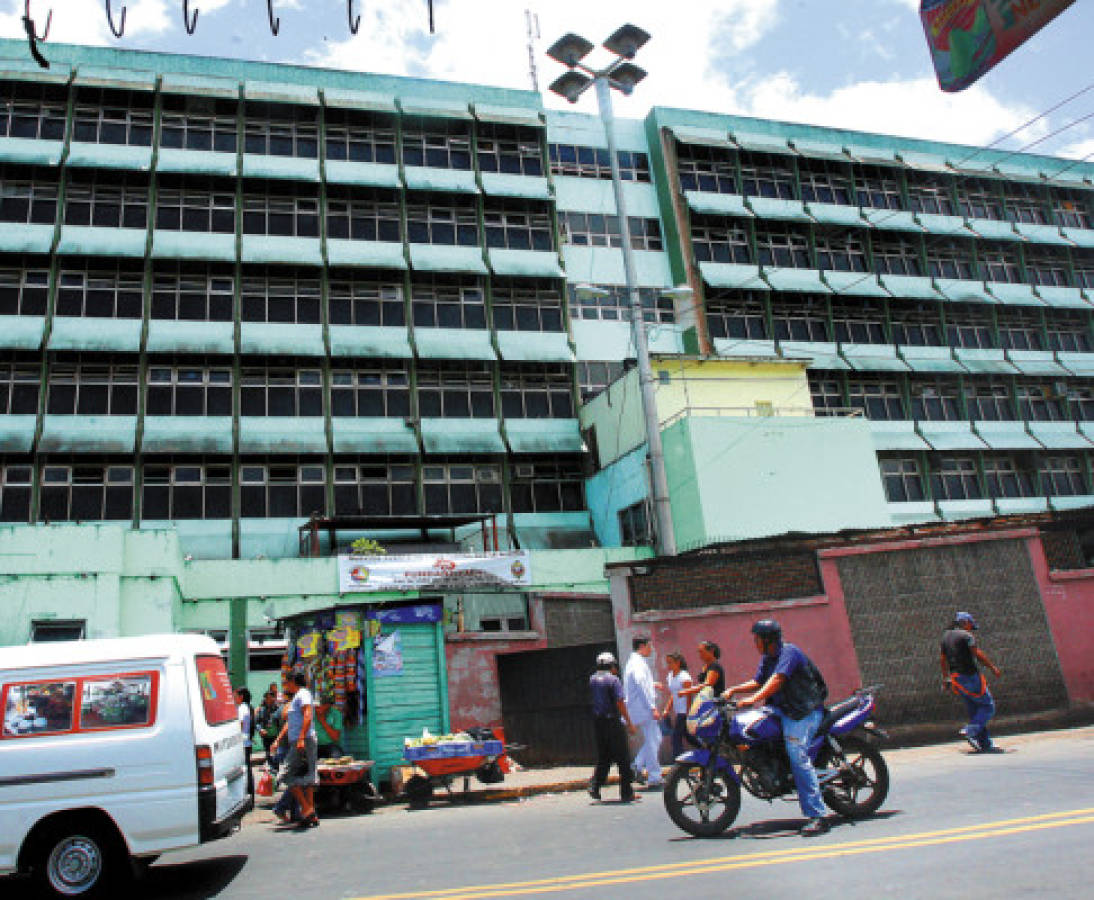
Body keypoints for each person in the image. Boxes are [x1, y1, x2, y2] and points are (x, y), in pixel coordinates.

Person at [723, 619, 830, 837]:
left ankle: (818, 815)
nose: (755, 643)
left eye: (757, 639)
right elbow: (759, 681)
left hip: (802, 711)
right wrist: (733, 690)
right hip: (782, 709)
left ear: (767, 639)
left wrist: (753, 699)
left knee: (796, 754)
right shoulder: (768, 658)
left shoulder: (788, 653)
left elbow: (777, 681)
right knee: (752, 727)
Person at [941, 611, 1003, 753]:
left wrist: (946, 678)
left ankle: (985, 744)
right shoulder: (966, 636)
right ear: (965, 622)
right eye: (970, 625)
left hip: (957, 678)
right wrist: (992, 667)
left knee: (975, 712)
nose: (971, 628)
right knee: (988, 707)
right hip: (970, 676)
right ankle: (970, 731)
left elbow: (942, 659)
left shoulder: (945, 637)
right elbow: (977, 654)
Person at [270, 672, 319, 829]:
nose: (285, 685)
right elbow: (290, 722)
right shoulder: (297, 697)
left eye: (287, 682)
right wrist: (278, 740)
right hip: (298, 741)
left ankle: (306, 808)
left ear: (293, 681)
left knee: (285, 775)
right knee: (304, 775)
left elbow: (308, 715)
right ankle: (310, 813)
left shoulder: (303, 694)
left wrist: (301, 738)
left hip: (302, 741)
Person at [588, 651, 638, 802]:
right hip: (612, 721)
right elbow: (619, 702)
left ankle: (595, 785)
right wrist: (629, 723)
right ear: (611, 665)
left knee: (605, 755)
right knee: (623, 757)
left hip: (598, 722)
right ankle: (626, 792)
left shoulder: (593, 679)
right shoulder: (613, 680)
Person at [623, 635, 663, 789]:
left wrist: (652, 684)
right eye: (649, 646)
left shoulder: (634, 662)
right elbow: (640, 685)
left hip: (639, 707)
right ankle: (654, 777)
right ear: (642, 646)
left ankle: (638, 765)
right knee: (653, 740)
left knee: (656, 738)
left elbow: (641, 684)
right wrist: (652, 707)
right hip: (643, 708)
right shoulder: (638, 663)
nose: (651, 649)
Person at [662, 651, 694, 761]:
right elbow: (673, 694)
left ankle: (679, 761)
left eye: (670, 663)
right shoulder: (670, 676)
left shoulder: (684, 677)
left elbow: (689, 695)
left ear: (678, 663)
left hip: (684, 711)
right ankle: (705, 750)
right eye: (667, 663)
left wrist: (689, 712)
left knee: (676, 737)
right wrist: (667, 709)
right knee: (688, 736)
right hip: (678, 711)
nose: (668, 665)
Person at [235, 687, 255, 799]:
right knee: (247, 768)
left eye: (236, 696)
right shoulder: (248, 707)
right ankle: (249, 793)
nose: (234, 698)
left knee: (245, 769)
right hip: (247, 742)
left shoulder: (242, 708)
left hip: (242, 742)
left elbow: (240, 724)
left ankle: (248, 794)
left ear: (241, 696)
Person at [255, 690, 280, 760]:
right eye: (267, 698)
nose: (268, 700)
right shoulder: (262, 710)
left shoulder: (279, 709)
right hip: (266, 737)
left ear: (274, 698)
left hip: (277, 737)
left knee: (277, 755)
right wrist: (260, 729)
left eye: (270, 698)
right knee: (268, 755)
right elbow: (256, 722)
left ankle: (275, 768)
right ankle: (271, 768)